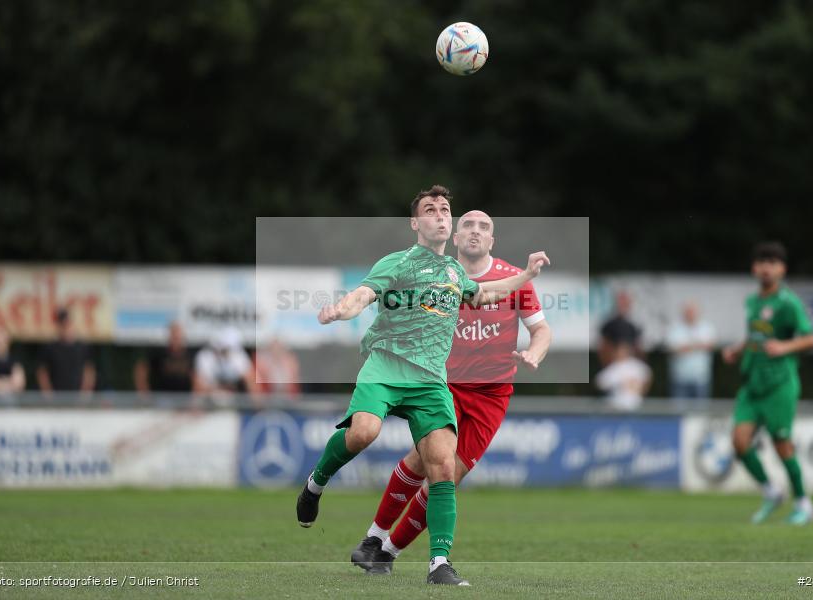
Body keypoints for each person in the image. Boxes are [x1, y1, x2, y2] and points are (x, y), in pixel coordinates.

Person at [296, 185, 549, 586]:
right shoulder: (398, 261)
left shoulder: (453, 273)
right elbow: (364, 294)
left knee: (443, 467)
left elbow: (486, 294)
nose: (439, 215)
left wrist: (528, 275)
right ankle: (315, 484)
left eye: (444, 209)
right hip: (388, 365)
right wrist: (341, 311)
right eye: (430, 210)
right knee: (363, 432)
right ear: (415, 223)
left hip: (431, 379)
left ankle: (438, 564)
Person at [722, 241, 813, 525]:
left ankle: (803, 504)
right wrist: (738, 349)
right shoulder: (752, 302)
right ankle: (771, 492)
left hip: (779, 385)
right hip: (753, 383)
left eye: (772, 262)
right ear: (754, 268)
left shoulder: (788, 303)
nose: (766, 267)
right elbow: (757, 335)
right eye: (762, 262)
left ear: (782, 269)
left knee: (782, 444)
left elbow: (811, 338)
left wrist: (784, 347)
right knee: (739, 442)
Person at [36, 308, 96, 398]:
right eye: (62, 325)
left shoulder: (82, 347)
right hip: (57, 398)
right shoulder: (50, 347)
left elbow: (89, 370)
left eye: (68, 324)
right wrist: (48, 393)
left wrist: (85, 393)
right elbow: (42, 372)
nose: (66, 328)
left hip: (77, 397)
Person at [666, 301, 716, 407]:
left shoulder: (706, 327)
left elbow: (710, 345)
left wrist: (688, 346)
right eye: (688, 311)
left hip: (701, 378)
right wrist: (697, 345)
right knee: (678, 411)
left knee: (700, 412)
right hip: (680, 378)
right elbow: (672, 349)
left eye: (693, 311)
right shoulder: (675, 328)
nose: (690, 314)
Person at [193, 327, 257, 405]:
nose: (228, 353)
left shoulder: (238, 356)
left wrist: (257, 405)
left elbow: (251, 383)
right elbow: (198, 388)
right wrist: (217, 390)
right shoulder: (205, 357)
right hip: (209, 402)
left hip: (234, 402)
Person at [133, 321, 194, 402]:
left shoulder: (189, 354)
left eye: (178, 334)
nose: (176, 337)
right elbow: (141, 368)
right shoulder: (160, 353)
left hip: (184, 399)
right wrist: (144, 393)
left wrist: (194, 400)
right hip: (162, 398)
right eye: (173, 334)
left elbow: (195, 377)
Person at [595, 343, 652, 411]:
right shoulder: (639, 365)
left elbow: (600, 383)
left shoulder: (617, 367)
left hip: (621, 404)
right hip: (631, 404)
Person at [598, 290, 642, 366]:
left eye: (625, 302)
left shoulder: (633, 326)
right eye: (621, 302)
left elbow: (638, 348)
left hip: (630, 364)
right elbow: (603, 348)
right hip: (613, 363)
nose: (623, 305)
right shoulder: (609, 325)